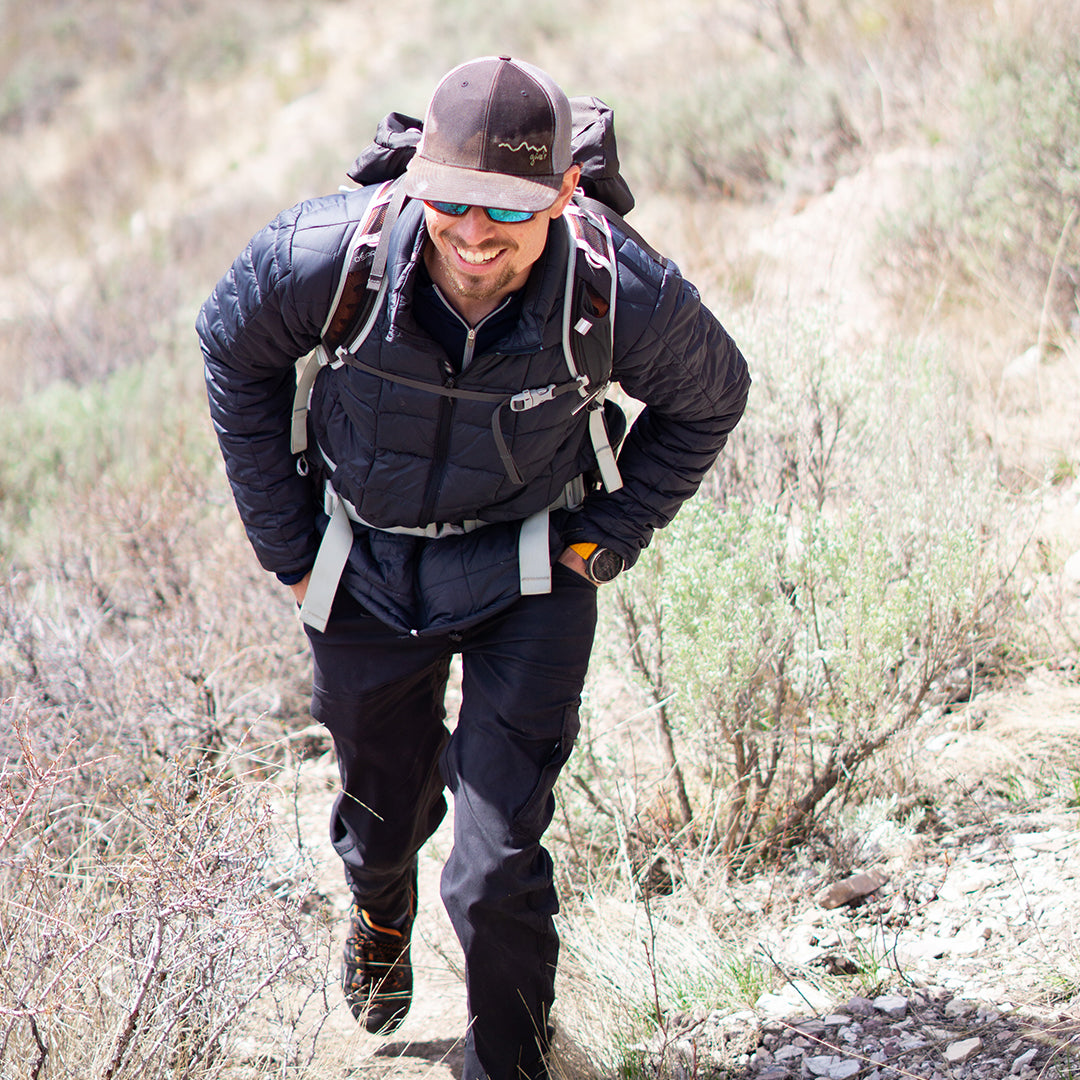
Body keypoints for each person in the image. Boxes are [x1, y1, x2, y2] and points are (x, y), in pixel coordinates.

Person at [197, 55, 750, 1080]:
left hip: (532, 571)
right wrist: (288, 549)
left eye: (508, 208)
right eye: (450, 201)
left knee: (494, 872)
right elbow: (232, 345)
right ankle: (378, 909)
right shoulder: (329, 256)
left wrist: (609, 535)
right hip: (363, 571)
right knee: (380, 819)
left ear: (563, 193)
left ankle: (513, 1063)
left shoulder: (613, 288)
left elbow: (713, 396)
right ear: (415, 184)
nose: (475, 233)